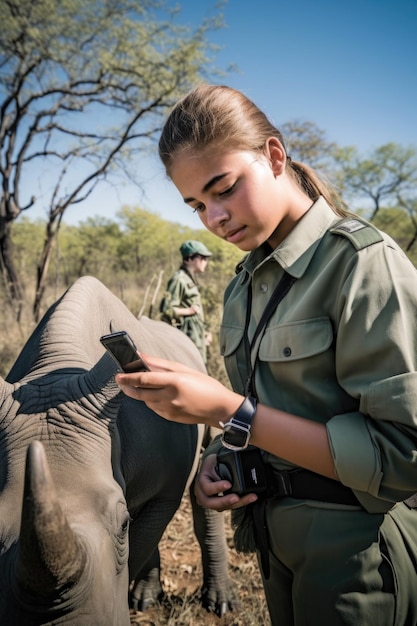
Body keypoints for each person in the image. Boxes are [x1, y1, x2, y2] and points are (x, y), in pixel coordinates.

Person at [115, 84, 417, 625]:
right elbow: (269, 411)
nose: (214, 218)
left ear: (275, 156)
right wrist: (219, 462)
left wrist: (226, 410)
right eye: (196, 206)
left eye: (223, 189)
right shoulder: (243, 285)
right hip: (275, 543)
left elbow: (405, 457)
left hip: (356, 552)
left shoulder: (363, 264)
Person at [159, 239, 212, 364]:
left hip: (196, 334)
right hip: (187, 335)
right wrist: (189, 311)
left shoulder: (190, 279)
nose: (205, 261)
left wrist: (204, 333)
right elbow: (166, 309)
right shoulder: (179, 279)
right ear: (189, 259)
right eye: (202, 257)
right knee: (192, 370)